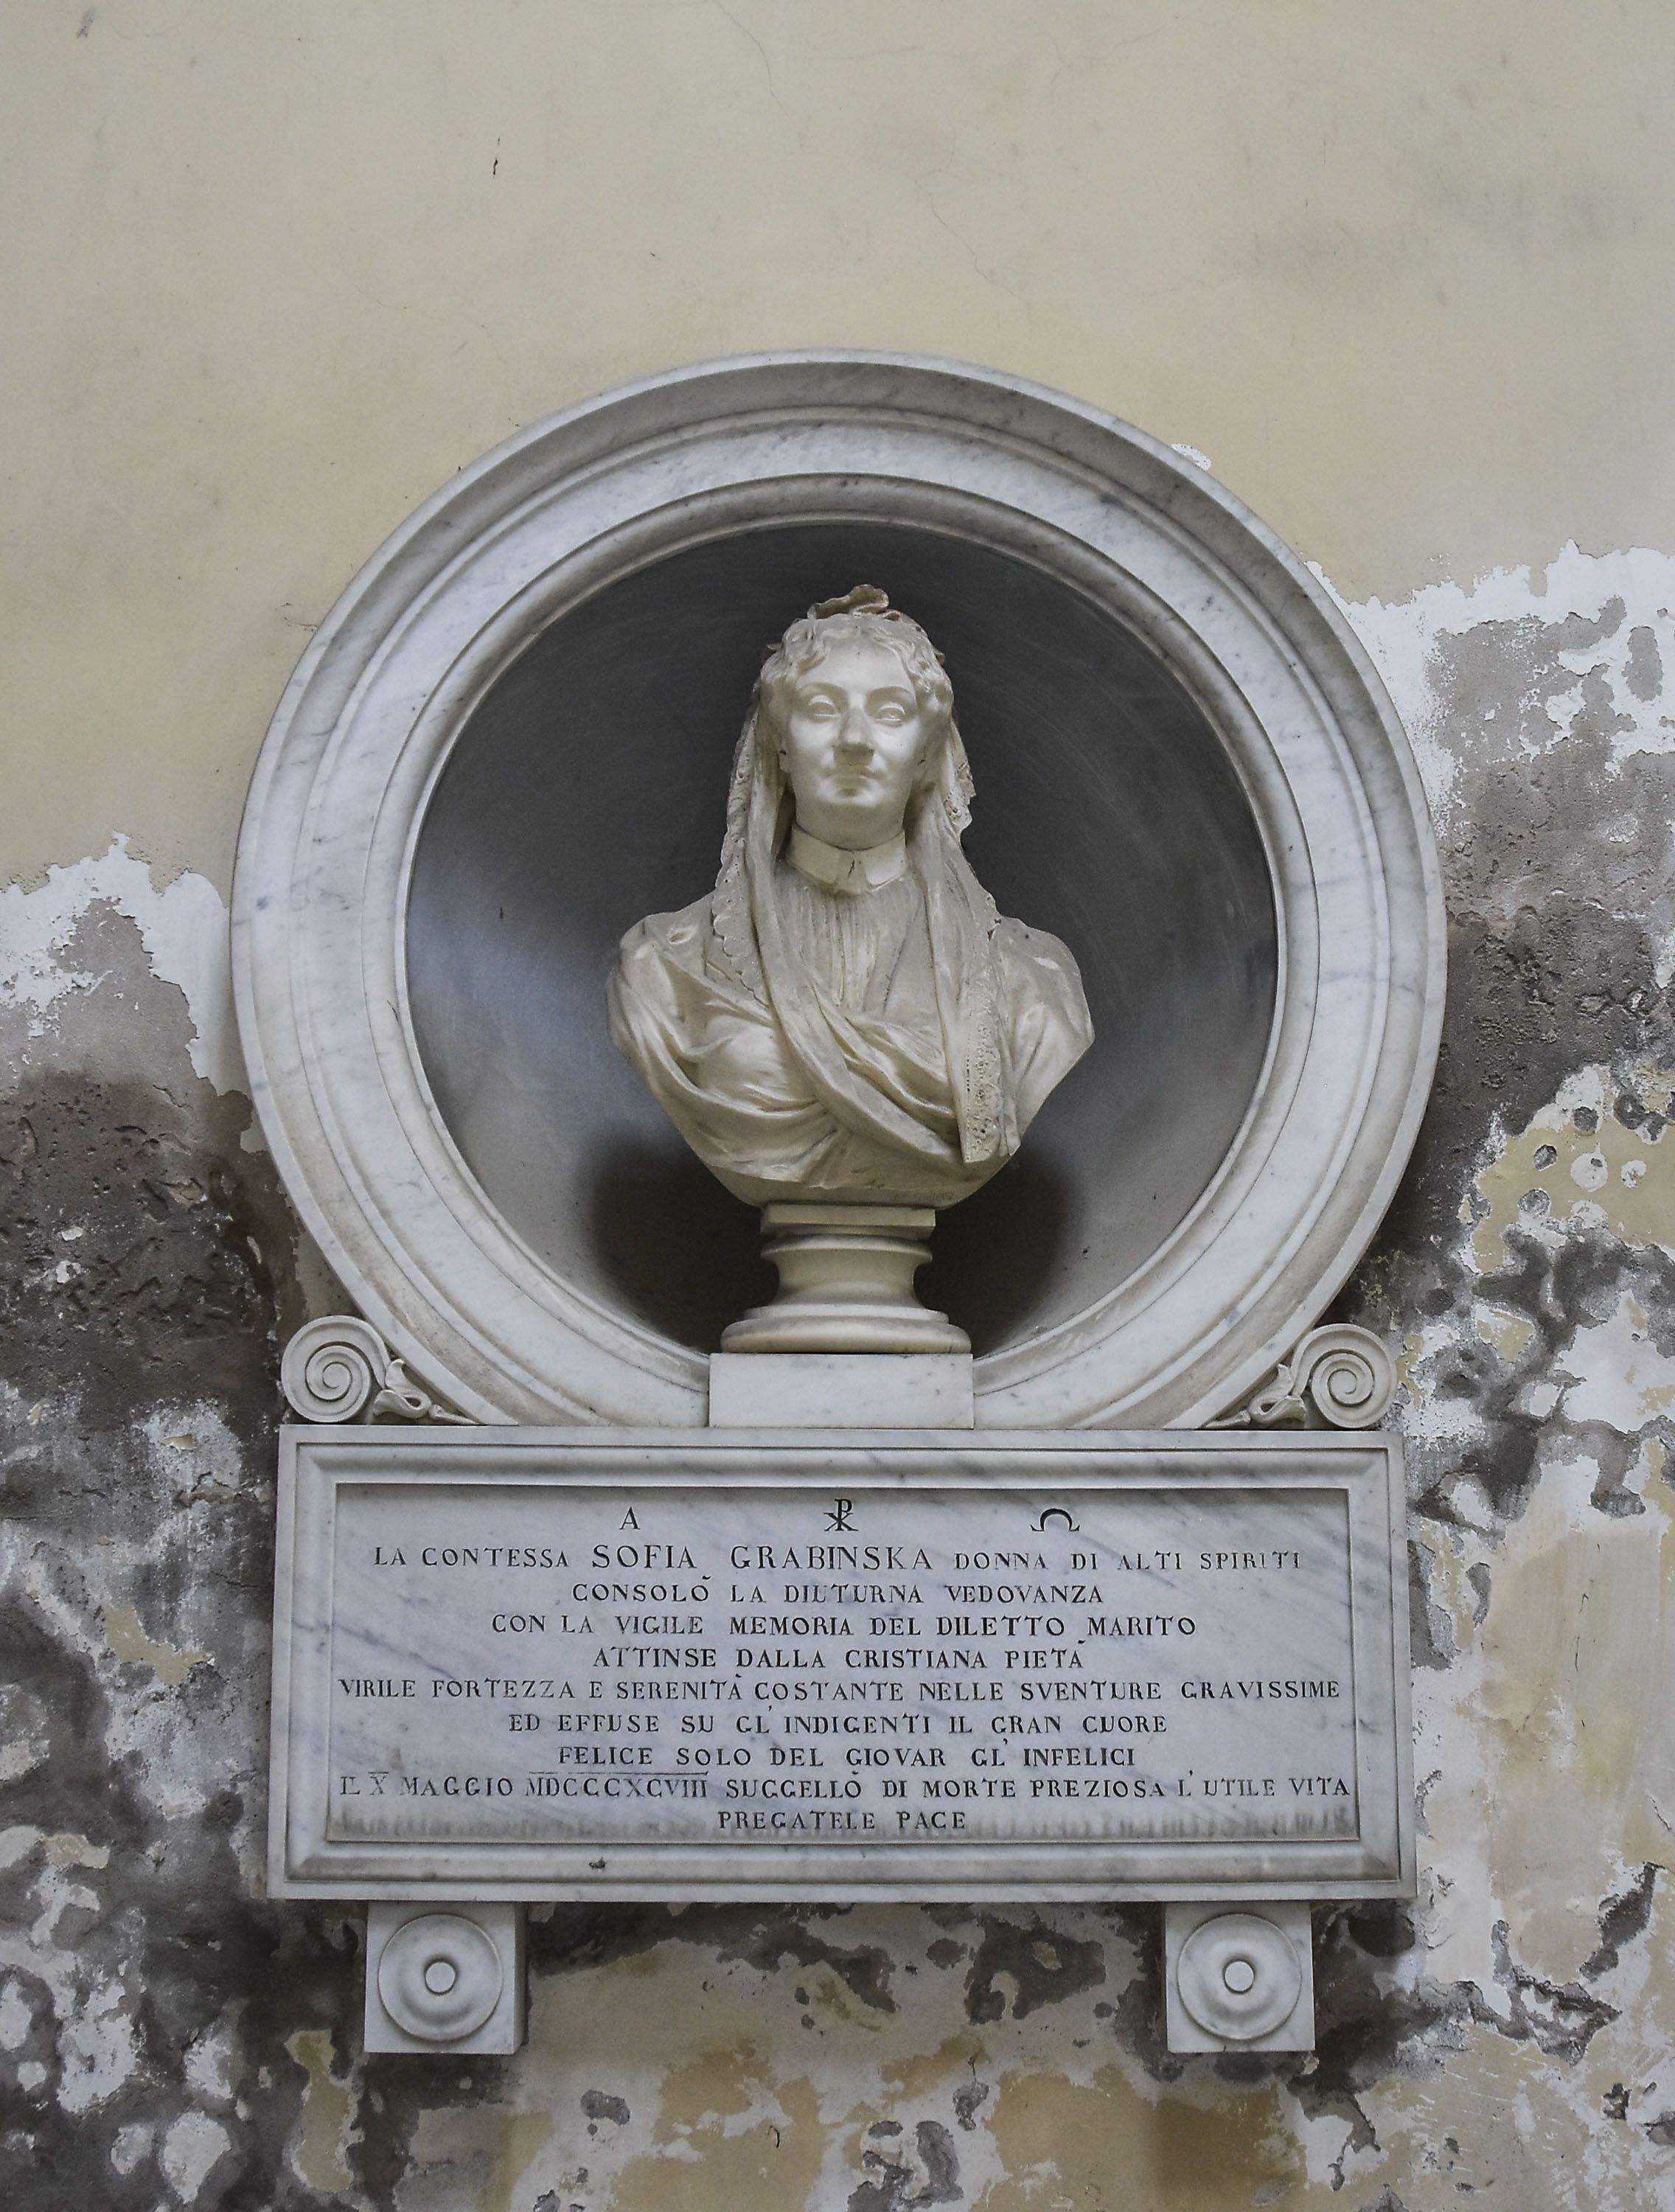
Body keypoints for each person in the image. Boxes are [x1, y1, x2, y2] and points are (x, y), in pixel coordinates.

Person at [607, 585, 1093, 1211]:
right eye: (822, 708)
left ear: (925, 753)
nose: (856, 741)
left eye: (890, 713)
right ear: (780, 745)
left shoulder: (1031, 978)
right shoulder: (665, 967)